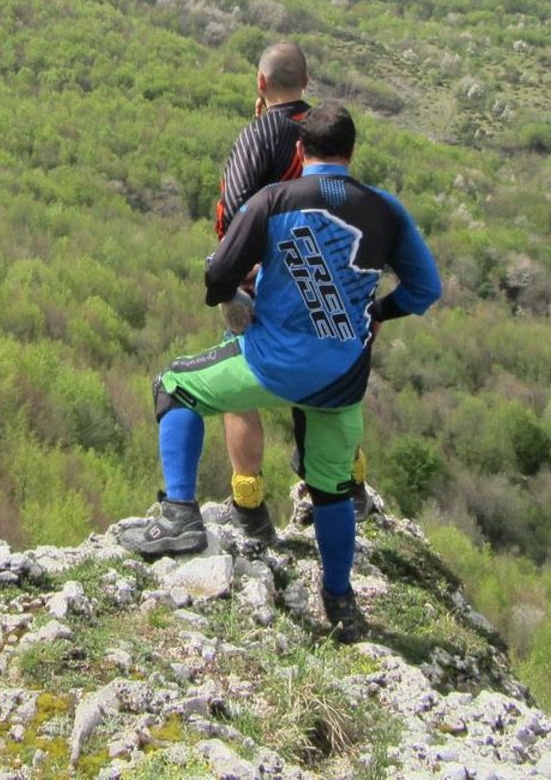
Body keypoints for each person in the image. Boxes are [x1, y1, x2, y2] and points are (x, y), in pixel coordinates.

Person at [123, 102, 441, 641]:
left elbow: (220, 271)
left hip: (269, 363)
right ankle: (340, 603)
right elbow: (425, 290)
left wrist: (230, 301)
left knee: (174, 387)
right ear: (351, 152)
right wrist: (376, 314)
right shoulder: (386, 211)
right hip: (342, 377)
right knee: (333, 490)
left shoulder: (274, 201)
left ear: (300, 152)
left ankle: (179, 516)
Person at [210, 43, 373, 543]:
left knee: (236, 386)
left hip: (268, 286)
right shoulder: (326, 134)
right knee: (326, 378)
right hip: (331, 284)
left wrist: (233, 278)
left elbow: (235, 213)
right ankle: (351, 485)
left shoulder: (258, 135)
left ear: (261, 84)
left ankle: (249, 507)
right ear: (305, 82)